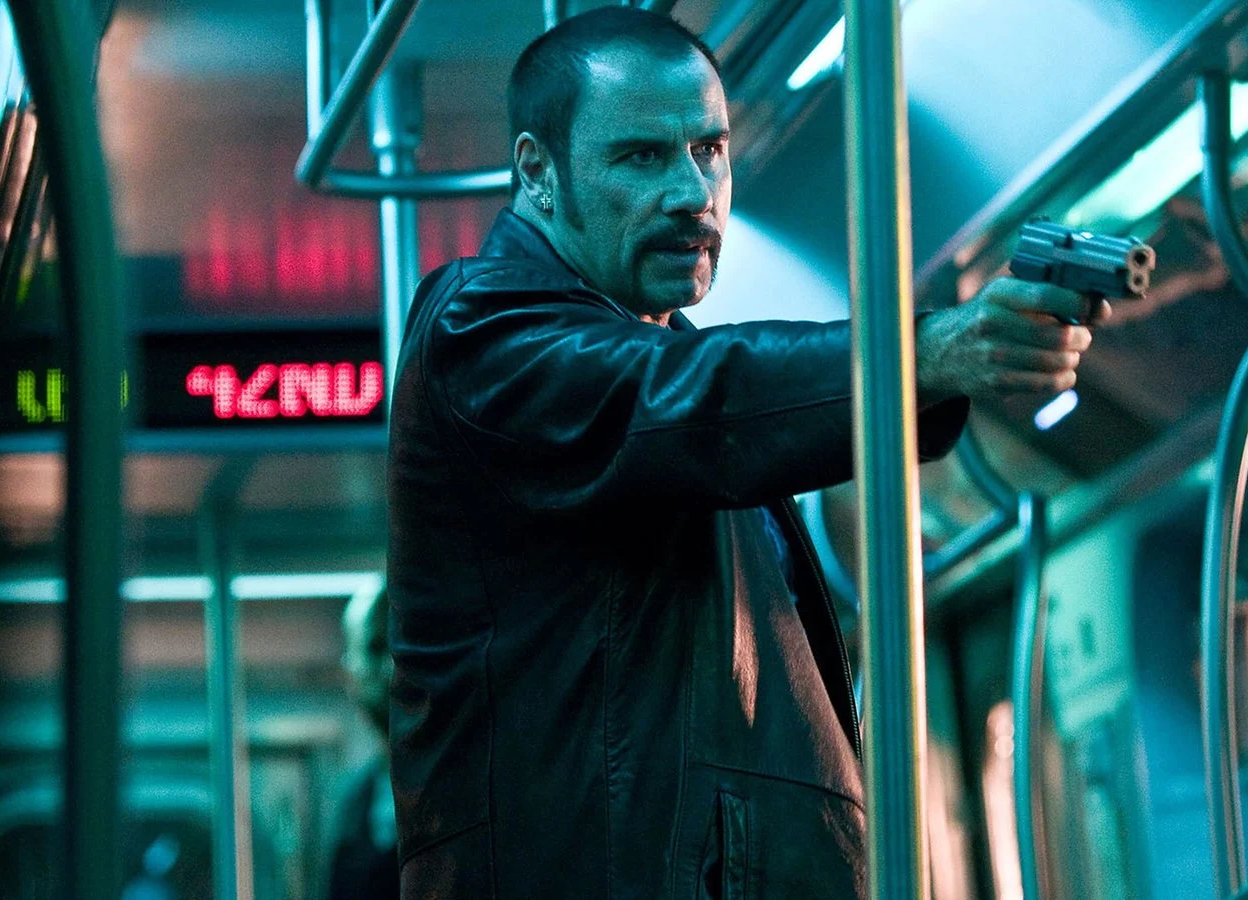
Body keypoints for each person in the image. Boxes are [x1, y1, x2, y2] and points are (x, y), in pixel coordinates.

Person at [386, 7, 1105, 898]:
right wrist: (922, 356)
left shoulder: (674, 365)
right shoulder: (481, 333)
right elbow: (689, 399)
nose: (693, 192)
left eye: (709, 150)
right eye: (641, 157)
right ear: (538, 172)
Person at [325, 589, 399, 900]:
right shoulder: (353, 802)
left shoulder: (462, 781)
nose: (392, 667)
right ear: (349, 674)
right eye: (376, 648)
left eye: (400, 646)